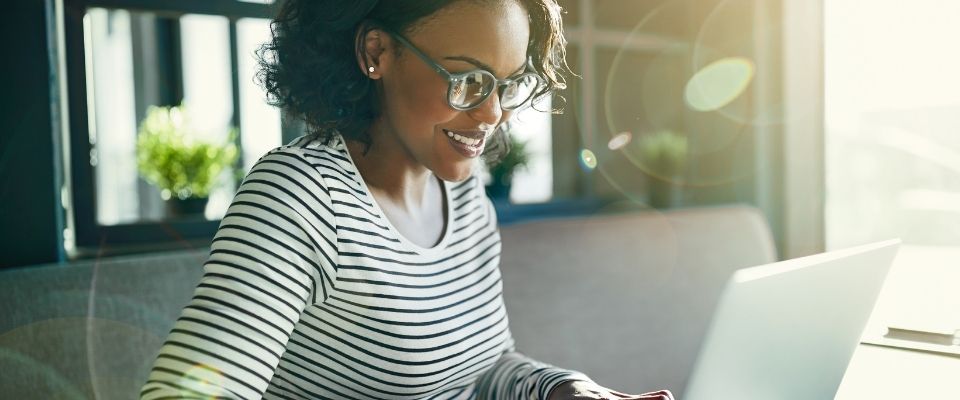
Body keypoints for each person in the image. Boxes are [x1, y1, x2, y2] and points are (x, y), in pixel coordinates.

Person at [140, 1, 674, 399]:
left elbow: (482, 368)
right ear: (377, 52)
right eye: (467, 79)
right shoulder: (300, 197)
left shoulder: (463, 195)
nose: (492, 115)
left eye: (507, 85)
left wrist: (565, 391)